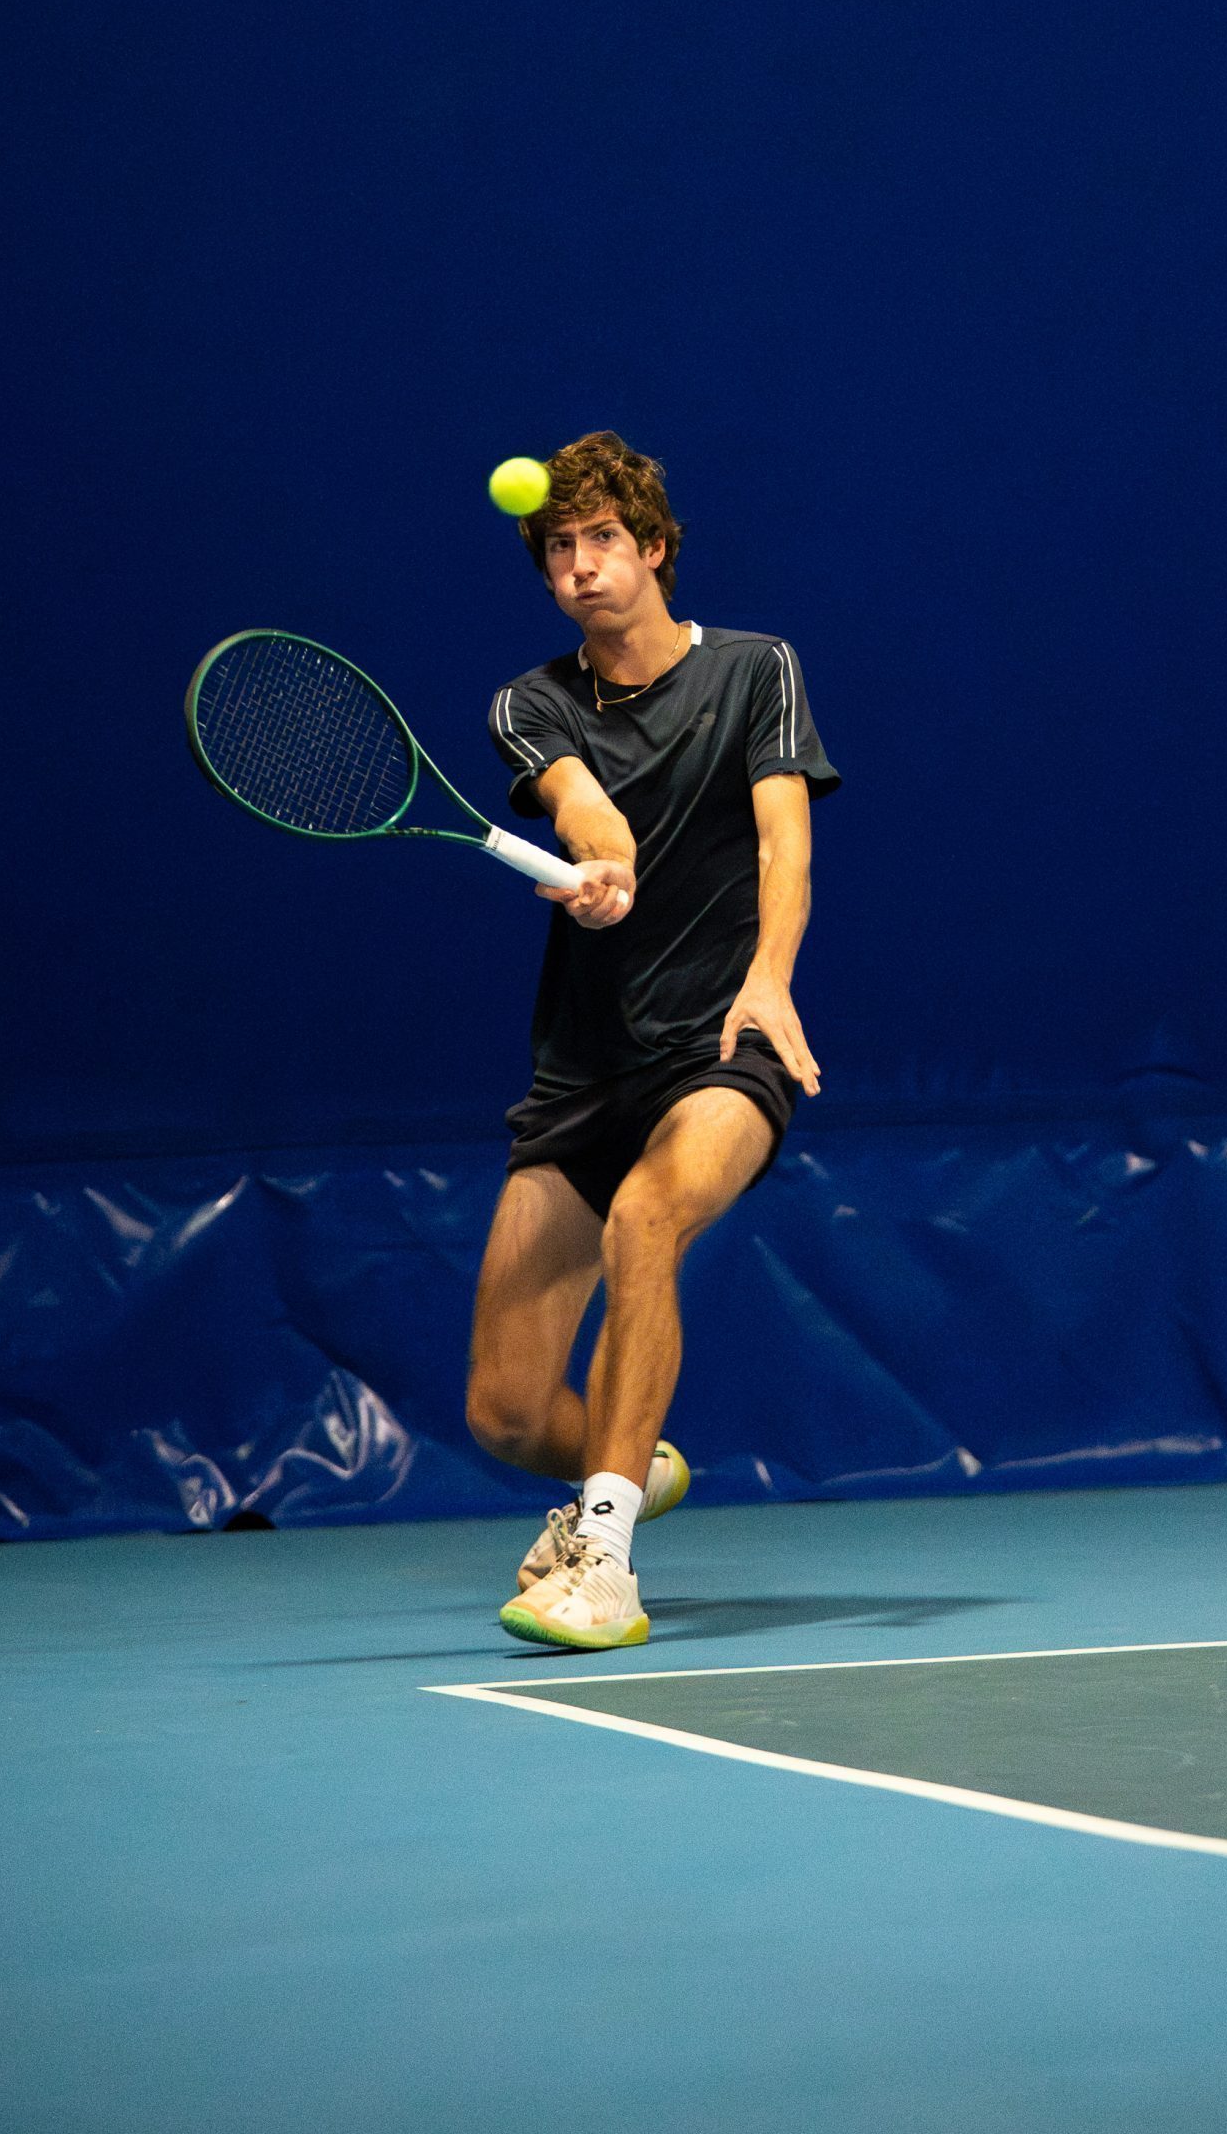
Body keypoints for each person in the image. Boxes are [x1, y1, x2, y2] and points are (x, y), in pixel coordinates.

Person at [466, 432, 839, 1649]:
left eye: (602, 540)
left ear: (656, 548)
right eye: (557, 549)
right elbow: (582, 803)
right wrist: (603, 859)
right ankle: (633, 1463)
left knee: (646, 1218)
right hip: (584, 1068)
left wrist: (769, 979)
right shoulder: (528, 704)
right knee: (506, 1413)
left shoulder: (755, 669)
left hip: (724, 1041)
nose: (579, 565)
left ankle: (605, 1558)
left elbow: (782, 838)